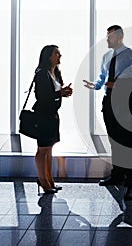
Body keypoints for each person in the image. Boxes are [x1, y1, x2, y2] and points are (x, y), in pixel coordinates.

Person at [83, 25, 132, 201]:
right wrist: (95, 85)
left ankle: (131, 183)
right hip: (109, 101)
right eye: (107, 36)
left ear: (119, 37)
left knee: (126, 141)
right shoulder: (106, 56)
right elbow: (103, 77)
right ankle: (117, 175)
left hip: (124, 102)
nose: (107, 40)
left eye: (110, 37)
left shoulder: (131, 55)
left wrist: (119, 85)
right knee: (114, 141)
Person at [33, 45, 73, 194]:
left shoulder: (55, 72)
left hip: (52, 115)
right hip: (43, 115)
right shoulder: (42, 74)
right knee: (43, 150)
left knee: (49, 149)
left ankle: (49, 180)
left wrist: (64, 92)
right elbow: (41, 97)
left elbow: (55, 93)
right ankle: (43, 181)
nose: (60, 55)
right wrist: (60, 93)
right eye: (57, 53)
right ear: (48, 56)